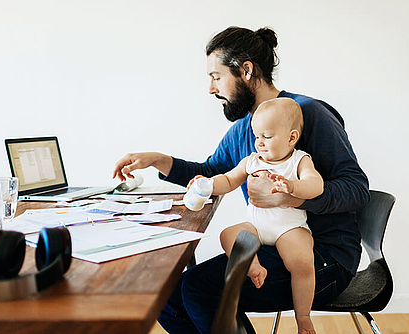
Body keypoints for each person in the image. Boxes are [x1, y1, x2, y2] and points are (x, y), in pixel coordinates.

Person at [112, 26, 370, 334]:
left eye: (216, 76)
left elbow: (357, 189)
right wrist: (158, 160)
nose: (211, 88)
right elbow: (211, 174)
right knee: (170, 296)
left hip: (322, 258)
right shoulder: (243, 131)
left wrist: (293, 197)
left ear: (245, 70)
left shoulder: (308, 114)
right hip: (267, 243)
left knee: (198, 287)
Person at [188, 97, 322, 334]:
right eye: (256, 136)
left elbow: (315, 185)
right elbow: (228, 180)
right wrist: (208, 184)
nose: (259, 143)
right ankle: (253, 266)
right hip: (257, 226)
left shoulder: (298, 160)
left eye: (267, 137)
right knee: (228, 235)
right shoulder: (251, 161)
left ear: (291, 137)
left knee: (302, 261)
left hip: (288, 228)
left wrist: (292, 186)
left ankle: (303, 317)